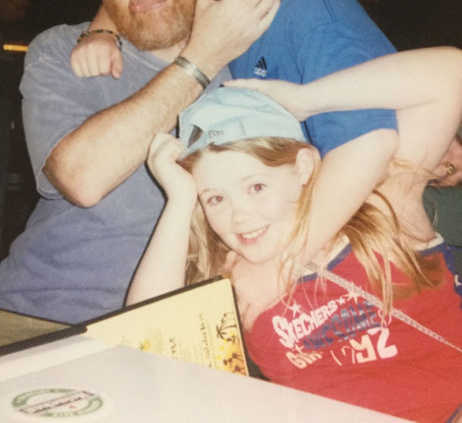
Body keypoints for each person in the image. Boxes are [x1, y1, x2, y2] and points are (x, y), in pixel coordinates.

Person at [72, 0, 401, 269]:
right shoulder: (243, 19)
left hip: (362, 259)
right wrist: (102, 28)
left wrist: (283, 267)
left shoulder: (315, 13)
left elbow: (370, 144)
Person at [127, 47, 462, 422]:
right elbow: (144, 348)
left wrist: (306, 100)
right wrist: (179, 199)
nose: (239, 217)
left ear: (303, 167)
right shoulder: (232, 272)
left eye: (256, 187)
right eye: (216, 198)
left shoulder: (380, 211)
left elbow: (451, 73)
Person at [0, 0, 281, 323]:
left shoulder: (254, 50)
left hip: (192, 332)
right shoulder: (61, 52)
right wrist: (200, 60)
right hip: (44, 316)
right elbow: (82, 179)